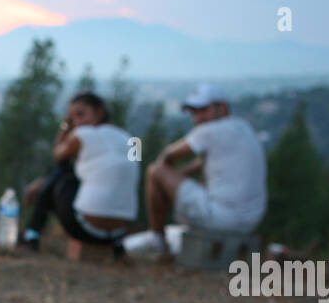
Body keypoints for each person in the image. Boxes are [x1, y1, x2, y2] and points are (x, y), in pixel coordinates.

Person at [127, 83, 266, 256]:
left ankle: (159, 243)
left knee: (155, 171)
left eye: (202, 110)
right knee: (167, 177)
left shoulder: (211, 131)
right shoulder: (243, 127)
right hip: (249, 221)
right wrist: (175, 180)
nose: (197, 118)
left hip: (222, 218)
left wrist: (164, 186)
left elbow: (167, 156)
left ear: (221, 107)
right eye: (194, 112)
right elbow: (201, 164)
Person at [20, 91, 138, 252]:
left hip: (85, 229)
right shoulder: (129, 138)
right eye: (72, 119)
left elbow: (57, 154)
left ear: (100, 111)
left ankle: (31, 234)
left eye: (81, 115)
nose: (77, 122)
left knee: (61, 172)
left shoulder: (83, 134)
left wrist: (65, 126)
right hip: (120, 232)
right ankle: (117, 248)